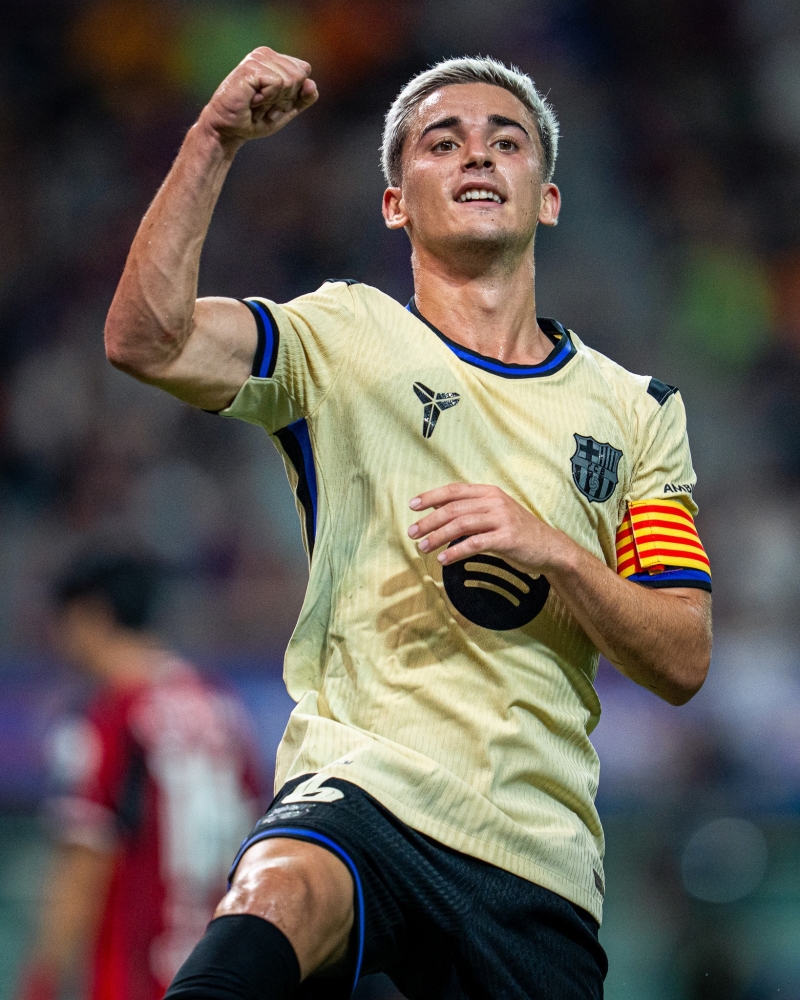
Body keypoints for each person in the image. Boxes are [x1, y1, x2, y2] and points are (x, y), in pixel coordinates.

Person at [103, 48, 713, 1000]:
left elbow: (681, 656)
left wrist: (553, 549)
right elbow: (146, 339)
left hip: (534, 847)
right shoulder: (340, 335)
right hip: (363, 783)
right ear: (396, 204)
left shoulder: (638, 412)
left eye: (506, 141)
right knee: (271, 898)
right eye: (443, 142)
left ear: (548, 198)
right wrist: (214, 139)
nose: (477, 154)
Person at [16, 554, 264, 1000]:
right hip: (222, 973)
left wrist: (40, 984)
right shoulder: (221, 706)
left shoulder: (111, 719)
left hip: (138, 979)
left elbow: (82, 869)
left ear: (91, 617)